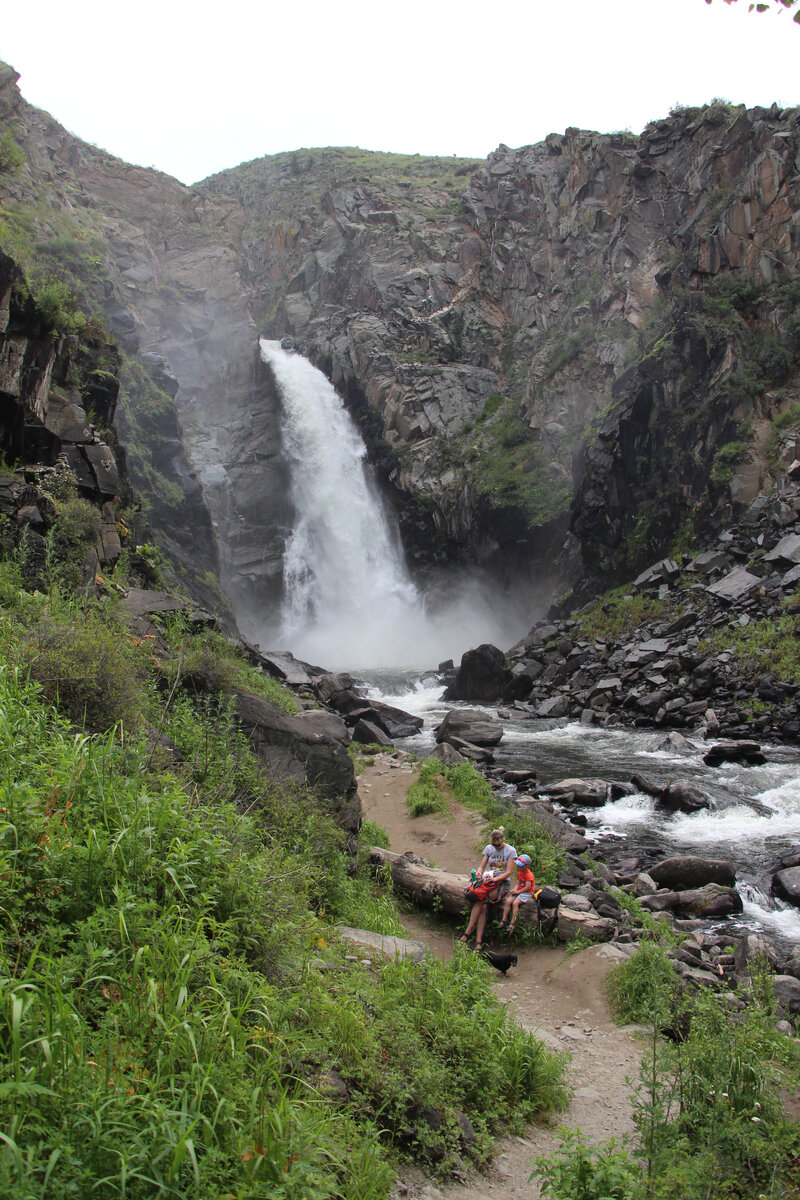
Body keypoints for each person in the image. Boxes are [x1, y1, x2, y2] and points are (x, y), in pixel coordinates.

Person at [458, 827, 517, 952]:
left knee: (481, 900)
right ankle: (479, 941)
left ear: (503, 841)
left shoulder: (511, 851)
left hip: (501, 883)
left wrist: (495, 880)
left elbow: (508, 873)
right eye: (494, 845)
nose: (496, 848)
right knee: (482, 905)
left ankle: (468, 932)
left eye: (499, 845)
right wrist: (479, 873)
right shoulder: (489, 849)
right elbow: (481, 866)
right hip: (487, 881)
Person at [498, 853, 536, 934]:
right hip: (519, 891)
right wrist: (514, 890)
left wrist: (518, 892)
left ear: (527, 866)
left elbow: (527, 887)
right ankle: (504, 919)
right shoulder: (519, 873)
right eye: (518, 865)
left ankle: (512, 923)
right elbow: (518, 883)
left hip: (527, 892)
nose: (518, 867)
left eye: (520, 866)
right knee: (508, 901)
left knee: (515, 903)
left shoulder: (529, 875)